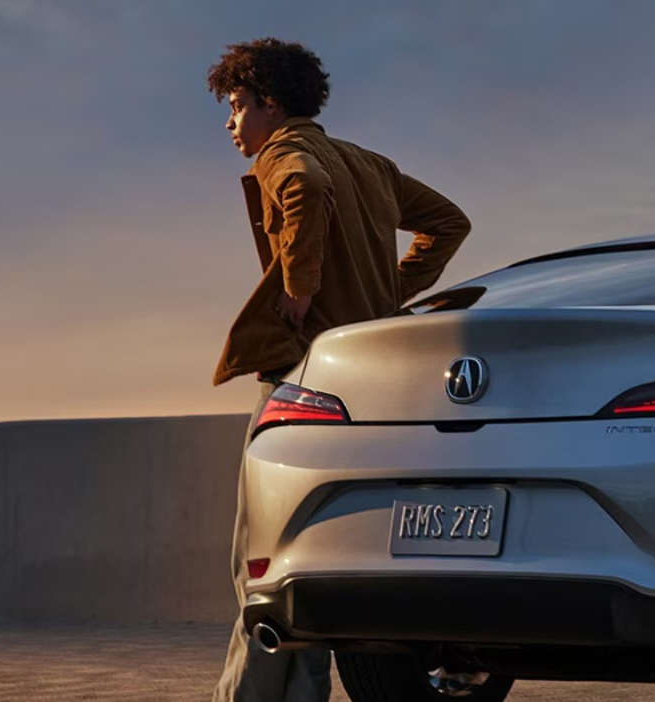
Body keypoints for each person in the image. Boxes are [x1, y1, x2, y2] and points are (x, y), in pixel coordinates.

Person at [205, 38, 473, 702]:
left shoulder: (284, 155)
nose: (232, 123)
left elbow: (305, 186)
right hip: (370, 374)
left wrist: (299, 283)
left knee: (262, 561)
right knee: (319, 557)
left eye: (238, 106)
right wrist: (389, 293)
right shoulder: (370, 163)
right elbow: (449, 222)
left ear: (270, 101)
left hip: (304, 375)